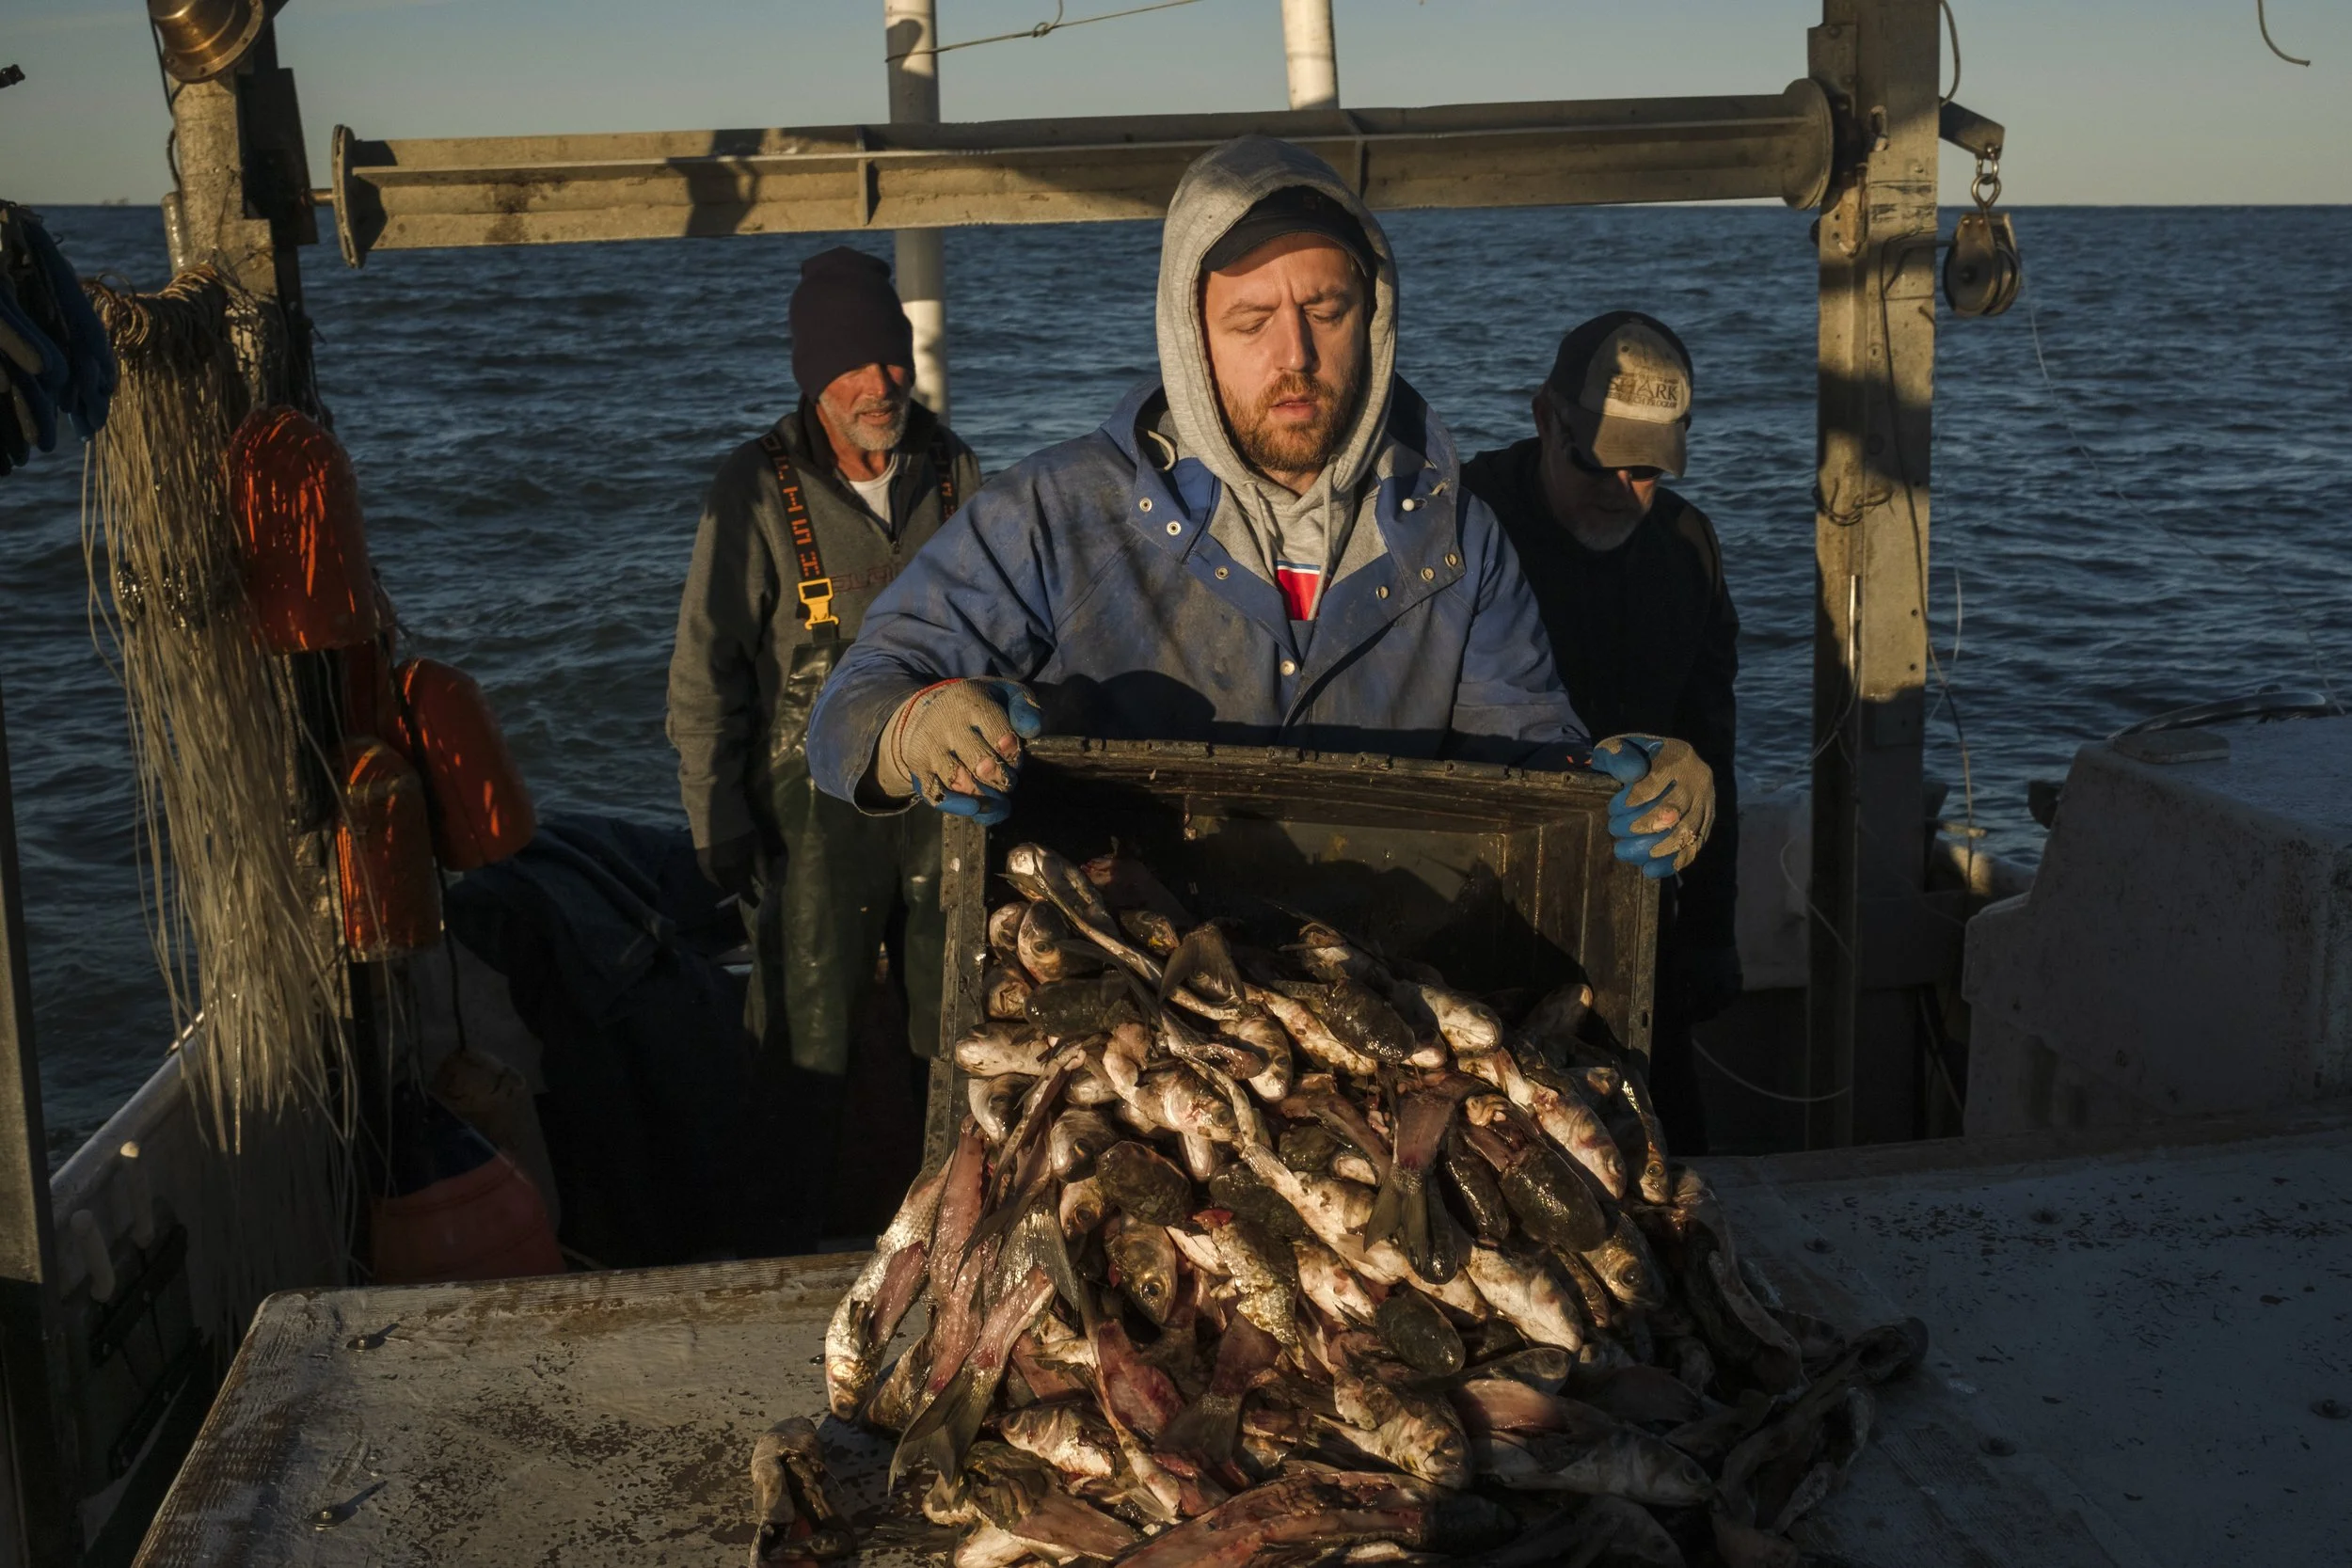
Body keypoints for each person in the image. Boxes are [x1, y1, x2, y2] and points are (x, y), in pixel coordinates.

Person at [803, 137, 1713, 892]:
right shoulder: (1053, 511)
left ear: (1374, 315)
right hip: (1122, 971)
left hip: (1376, 970)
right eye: (1250, 321)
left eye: (1327, 308)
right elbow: (857, 698)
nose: (1296, 355)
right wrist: (915, 726)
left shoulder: (1458, 538)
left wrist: (1620, 787)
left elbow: (1522, 761)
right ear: (1188, 331)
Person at [666, 245, 981, 1253]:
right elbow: (703, 671)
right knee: (805, 1041)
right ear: (812, 377)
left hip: (945, 800)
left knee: (958, 1034)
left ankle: (953, 1234)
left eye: (891, 360)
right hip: (810, 821)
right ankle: (778, 1248)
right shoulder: (751, 489)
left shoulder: (956, 468)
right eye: (853, 366)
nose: (880, 385)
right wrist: (718, 820)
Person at [1462, 312, 1740, 1151]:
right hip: (1481, 904)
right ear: (1547, 418)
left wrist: (1710, 932)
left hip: (1634, 905)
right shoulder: (1461, 520)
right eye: (1596, 461)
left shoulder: (1687, 548)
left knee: (1671, 1163)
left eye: (1647, 471)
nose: (1621, 490)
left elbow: (1713, 740)